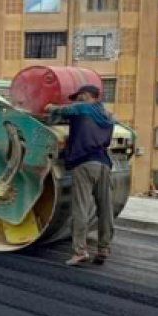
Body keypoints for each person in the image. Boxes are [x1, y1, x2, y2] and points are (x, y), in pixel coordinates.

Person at [45, 84, 115, 266]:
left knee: (80, 208)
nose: (76, 100)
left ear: (85, 95)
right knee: (105, 208)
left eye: (78, 96)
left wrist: (48, 107)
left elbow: (59, 110)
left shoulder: (82, 107)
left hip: (84, 163)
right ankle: (103, 249)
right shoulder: (107, 114)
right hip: (104, 164)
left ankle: (80, 251)